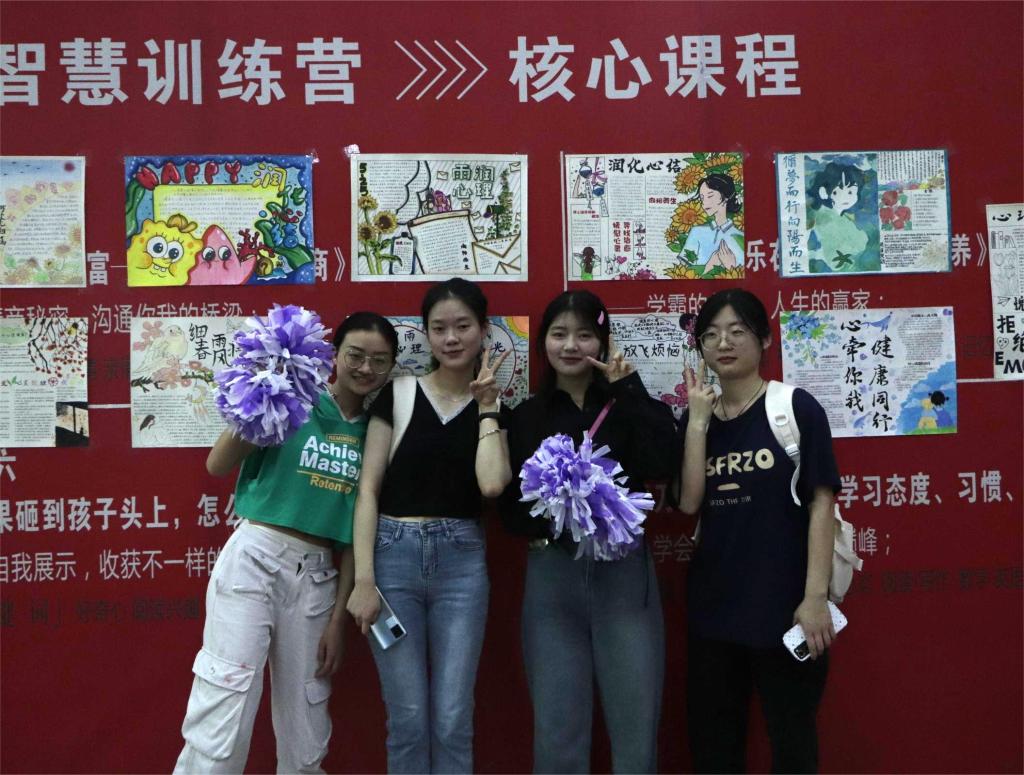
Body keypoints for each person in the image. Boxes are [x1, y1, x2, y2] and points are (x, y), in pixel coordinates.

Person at [173, 311, 398, 774]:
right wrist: (261, 396)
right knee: (226, 701)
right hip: (254, 560)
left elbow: (354, 535)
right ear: (333, 355)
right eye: (355, 355)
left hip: (317, 577)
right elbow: (217, 465)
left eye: (379, 361)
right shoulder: (295, 399)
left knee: (307, 724)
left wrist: (337, 622)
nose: (365, 368)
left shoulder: (376, 433)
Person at [499, 290, 678, 773]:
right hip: (552, 575)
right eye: (559, 334)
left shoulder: (627, 404)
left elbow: (662, 464)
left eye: (584, 335)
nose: (571, 345)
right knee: (557, 730)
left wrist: (629, 388)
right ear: (543, 342)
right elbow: (508, 510)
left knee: (636, 726)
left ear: (603, 341)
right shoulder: (528, 416)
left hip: (624, 574)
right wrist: (559, 507)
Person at [346, 278, 512, 774]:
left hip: (462, 566)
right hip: (391, 560)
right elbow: (367, 490)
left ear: (484, 330)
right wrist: (363, 579)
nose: (451, 338)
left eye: (463, 326)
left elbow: (492, 485)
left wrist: (488, 409)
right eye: (439, 328)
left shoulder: (495, 408)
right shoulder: (397, 395)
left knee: (453, 718)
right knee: (409, 718)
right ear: (426, 334)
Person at [678, 288, 841, 774]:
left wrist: (814, 598)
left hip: (786, 611)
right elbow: (688, 503)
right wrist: (697, 424)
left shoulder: (795, 408)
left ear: (765, 339)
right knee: (715, 750)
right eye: (710, 335)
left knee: (792, 745)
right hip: (714, 612)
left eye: (737, 331)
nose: (723, 344)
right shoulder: (697, 417)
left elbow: (822, 503)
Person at [808, 162, 869, 271]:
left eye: (850, 192)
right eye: (836, 192)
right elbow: (831, 253)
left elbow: (861, 241)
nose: (845, 198)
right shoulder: (825, 218)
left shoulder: (840, 216)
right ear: (823, 192)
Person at [679, 173, 744, 271]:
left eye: (710, 196)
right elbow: (683, 273)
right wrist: (709, 266)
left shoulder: (740, 236)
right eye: (702, 198)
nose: (704, 203)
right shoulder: (696, 232)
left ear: (726, 197)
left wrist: (731, 266)